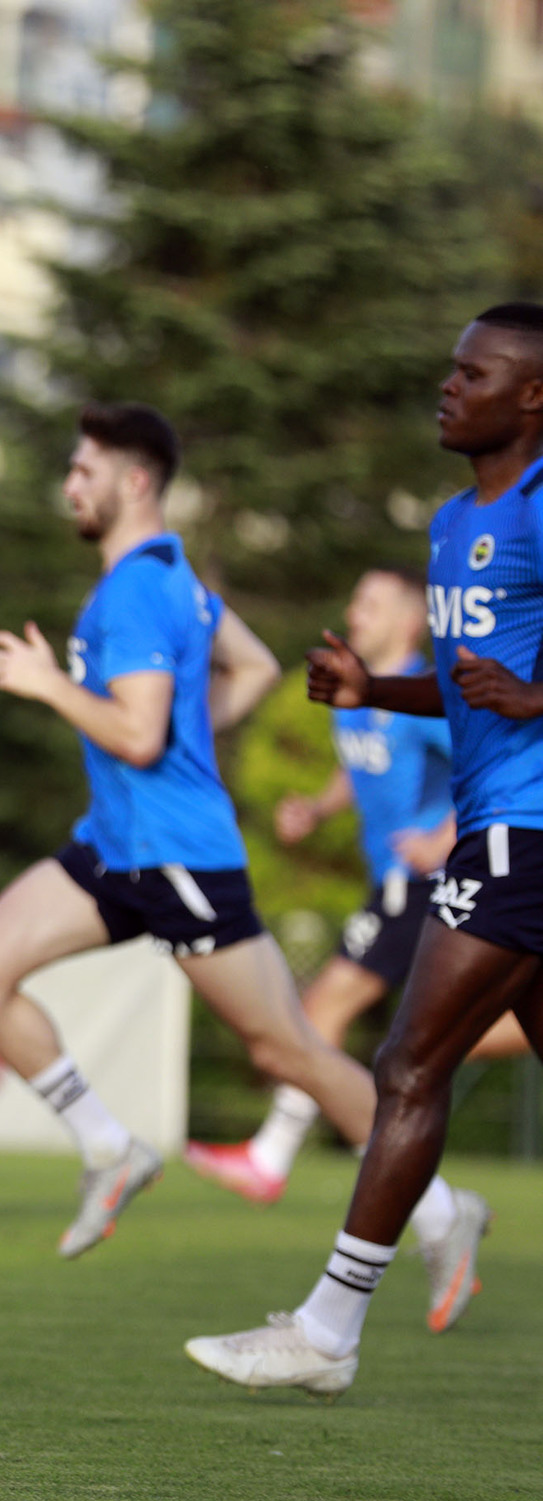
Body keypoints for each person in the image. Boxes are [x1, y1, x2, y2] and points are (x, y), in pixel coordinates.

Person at [0, 401, 475, 1265]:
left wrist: (45, 683)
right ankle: (109, 1147)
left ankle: (443, 1208)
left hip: (181, 859)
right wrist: (186, 744)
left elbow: (138, 734)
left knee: (290, 1048)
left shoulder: (138, 589)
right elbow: (257, 666)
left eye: (83, 470)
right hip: (114, 845)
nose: (69, 484)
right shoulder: (173, 575)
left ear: (135, 480)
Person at [183, 304, 543, 1397]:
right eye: (449, 368)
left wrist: (536, 694)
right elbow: (467, 683)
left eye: (471, 372)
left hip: (525, 832)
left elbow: (515, 689)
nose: (447, 385)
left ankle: (328, 1330)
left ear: (531, 395)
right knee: (408, 1061)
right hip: (504, 823)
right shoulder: (448, 522)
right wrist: (370, 688)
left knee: (405, 1063)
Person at [188, 567, 527, 1202]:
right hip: (392, 883)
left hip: (424, 880)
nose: (353, 611)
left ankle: (272, 1155)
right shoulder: (362, 699)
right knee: (435, 1036)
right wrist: (318, 808)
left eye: (369, 603)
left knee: (325, 1009)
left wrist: (443, 837)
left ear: (408, 621)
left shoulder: (426, 701)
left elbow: (493, 765)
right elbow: (362, 771)